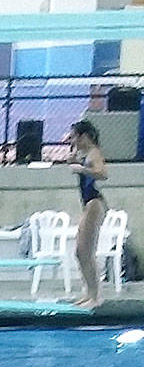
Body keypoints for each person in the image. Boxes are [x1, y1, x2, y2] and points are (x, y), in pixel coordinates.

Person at [70, 121, 108, 308]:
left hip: (95, 203)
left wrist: (82, 169)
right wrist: (77, 164)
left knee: (86, 251)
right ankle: (89, 293)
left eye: (74, 136)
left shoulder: (94, 153)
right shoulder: (86, 154)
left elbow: (102, 173)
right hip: (89, 204)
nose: (72, 140)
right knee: (80, 252)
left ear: (84, 137)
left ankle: (95, 296)